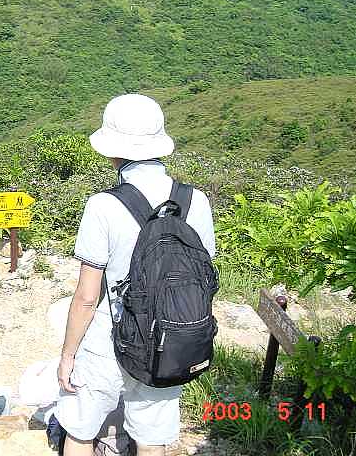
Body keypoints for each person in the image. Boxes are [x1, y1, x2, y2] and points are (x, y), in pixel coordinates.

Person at [56, 94, 216, 456]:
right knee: (151, 438)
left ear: (113, 150)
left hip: (108, 336)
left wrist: (68, 356)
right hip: (168, 337)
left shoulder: (103, 205)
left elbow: (86, 297)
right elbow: (204, 279)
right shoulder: (197, 200)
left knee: (81, 430)